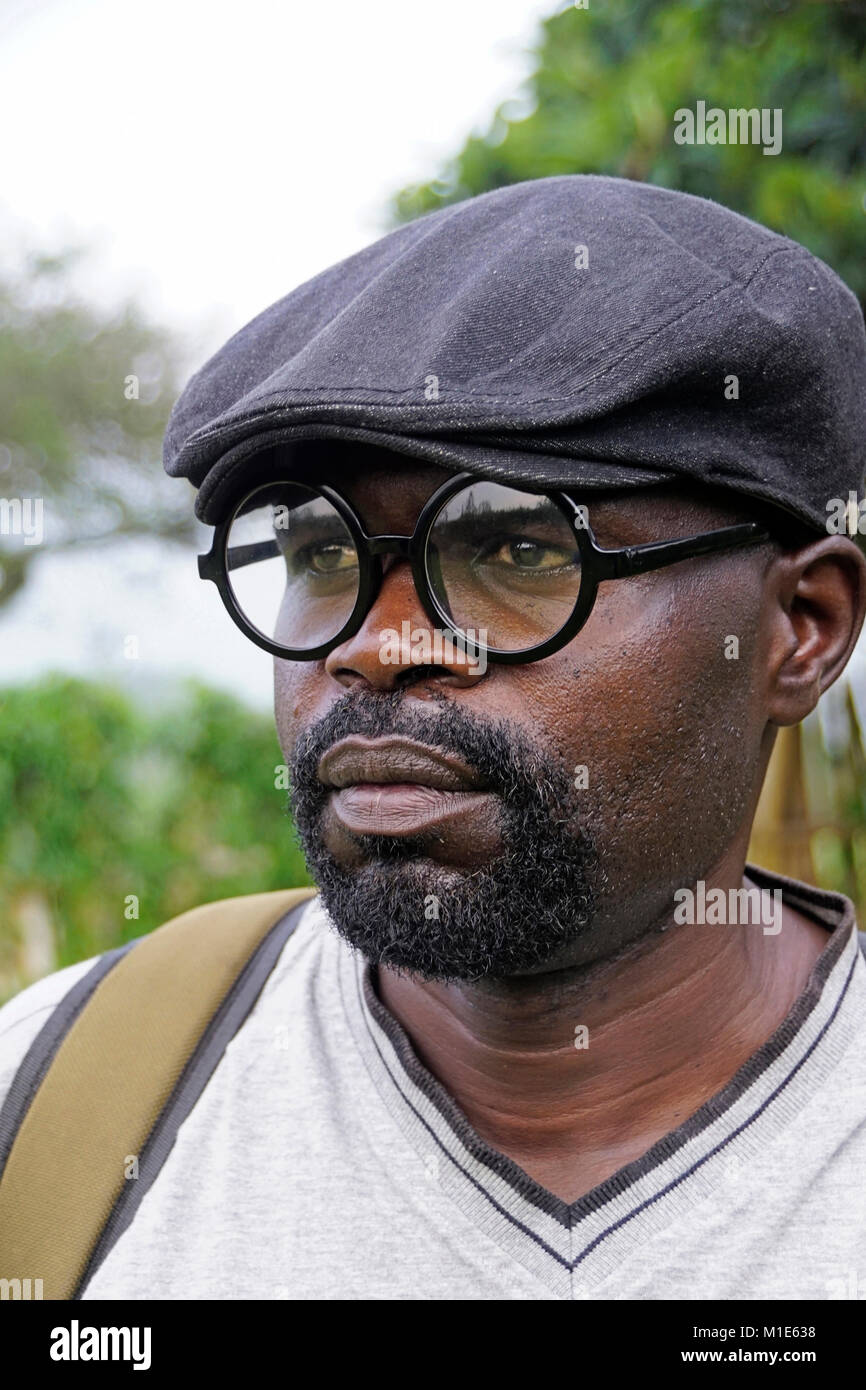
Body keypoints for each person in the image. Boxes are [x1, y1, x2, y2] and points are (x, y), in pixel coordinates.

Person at [2, 175, 866, 1300]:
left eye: (515, 553)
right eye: (322, 555)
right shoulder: (61, 1103)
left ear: (798, 631)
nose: (377, 643)